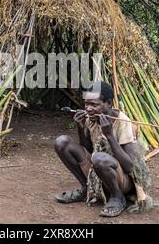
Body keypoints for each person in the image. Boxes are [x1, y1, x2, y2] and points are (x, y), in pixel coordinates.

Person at [54, 81, 152, 217]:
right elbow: (87, 150)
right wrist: (81, 128)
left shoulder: (122, 122)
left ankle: (117, 197)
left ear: (109, 103)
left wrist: (109, 135)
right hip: (98, 169)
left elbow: (130, 167)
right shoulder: (92, 118)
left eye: (94, 104)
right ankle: (86, 188)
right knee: (62, 142)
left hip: (122, 179)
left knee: (99, 157)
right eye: (86, 103)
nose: (88, 108)